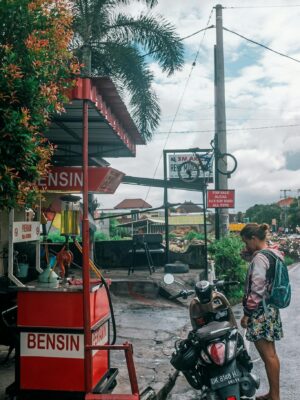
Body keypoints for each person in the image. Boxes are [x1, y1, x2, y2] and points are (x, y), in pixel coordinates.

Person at [240, 223, 283, 400]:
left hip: (260, 312)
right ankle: (273, 394)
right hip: (270, 310)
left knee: (268, 356)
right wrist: (250, 257)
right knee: (271, 355)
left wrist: (247, 314)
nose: (246, 247)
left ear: (254, 239)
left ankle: (275, 396)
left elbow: (257, 289)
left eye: (246, 242)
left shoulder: (260, 258)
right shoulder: (273, 253)